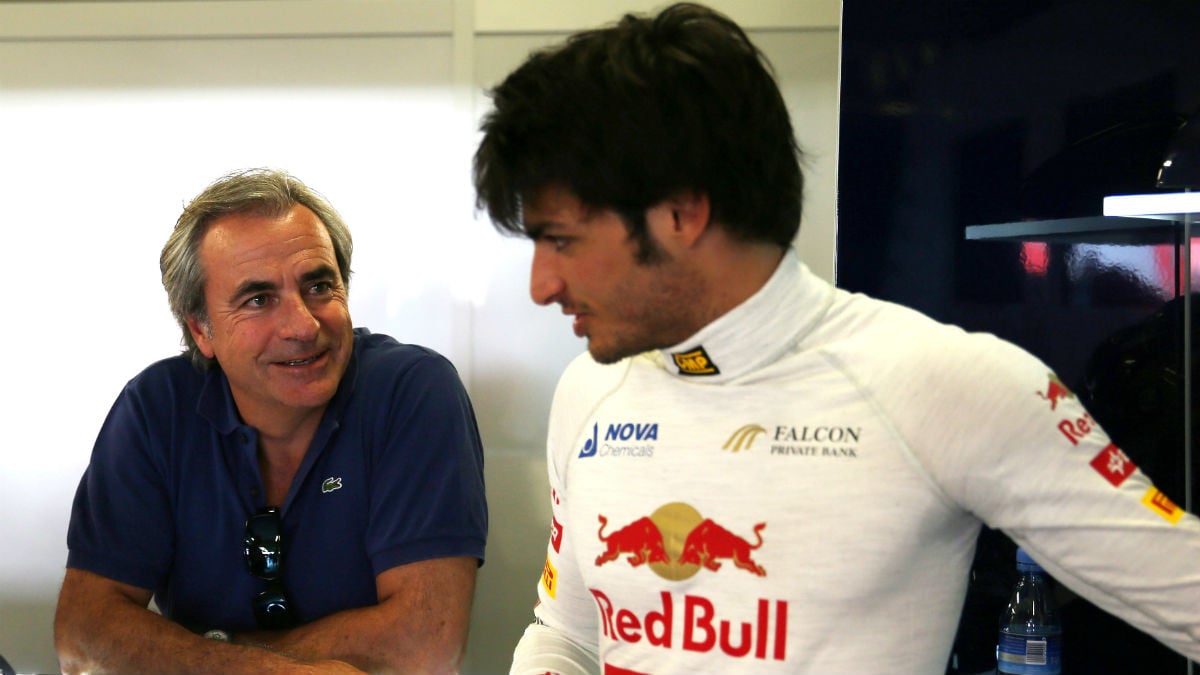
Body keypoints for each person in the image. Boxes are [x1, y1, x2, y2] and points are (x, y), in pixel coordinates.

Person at [472, 4, 1200, 674]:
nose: (541, 284)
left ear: (682, 214)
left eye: (560, 240)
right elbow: (565, 633)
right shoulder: (592, 389)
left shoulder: (944, 382)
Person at [54, 168, 488, 675]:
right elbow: (83, 636)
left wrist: (198, 650)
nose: (303, 326)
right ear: (202, 330)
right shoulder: (156, 409)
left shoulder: (412, 391)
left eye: (320, 285)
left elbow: (424, 646)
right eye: (258, 300)